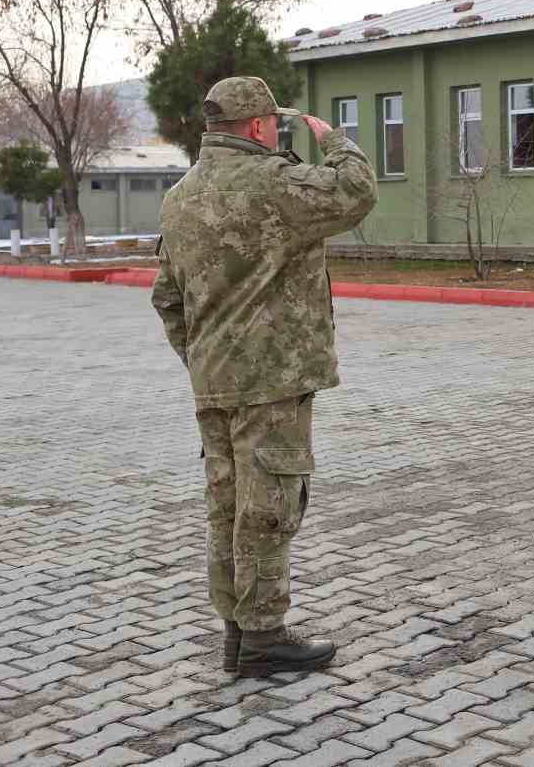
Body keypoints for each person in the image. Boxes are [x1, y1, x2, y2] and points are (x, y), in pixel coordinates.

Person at [151, 76, 377, 677]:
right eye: (275, 123)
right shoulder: (275, 182)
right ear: (256, 127)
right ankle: (264, 637)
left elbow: (167, 299)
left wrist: (201, 357)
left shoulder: (178, 197)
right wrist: (336, 140)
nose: (278, 131)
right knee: (271, 504)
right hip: (272, 381)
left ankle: (237, 631)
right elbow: (356, 194)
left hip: (214, 379)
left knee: (226, 505)